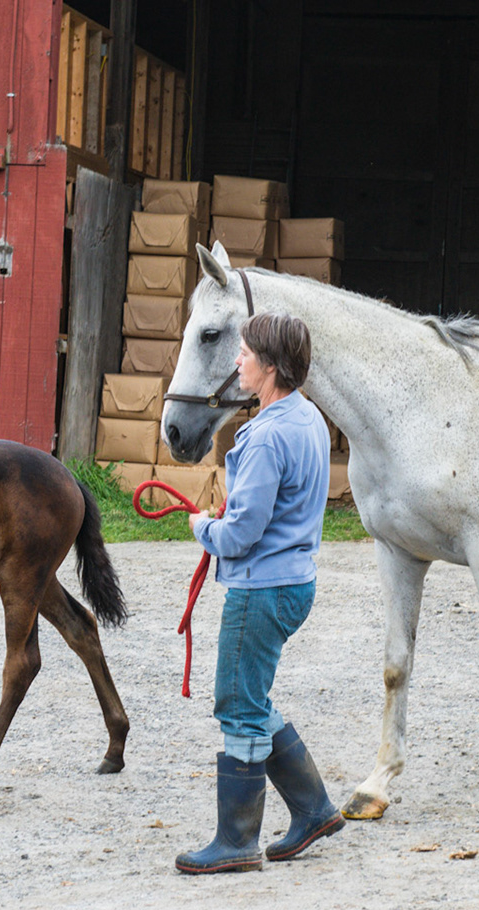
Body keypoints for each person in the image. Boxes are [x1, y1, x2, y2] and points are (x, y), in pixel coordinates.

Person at [178, 312, 343, 874]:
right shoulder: (309, 420)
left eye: (245, 353)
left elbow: (242, 532)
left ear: (269, 367)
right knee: (251, 698)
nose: (237, 361)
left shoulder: (269, 435)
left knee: (238, 705)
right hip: (293, 583)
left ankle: (236, 841)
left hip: (260, 591)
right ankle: (314, 809)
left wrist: (203, 528)